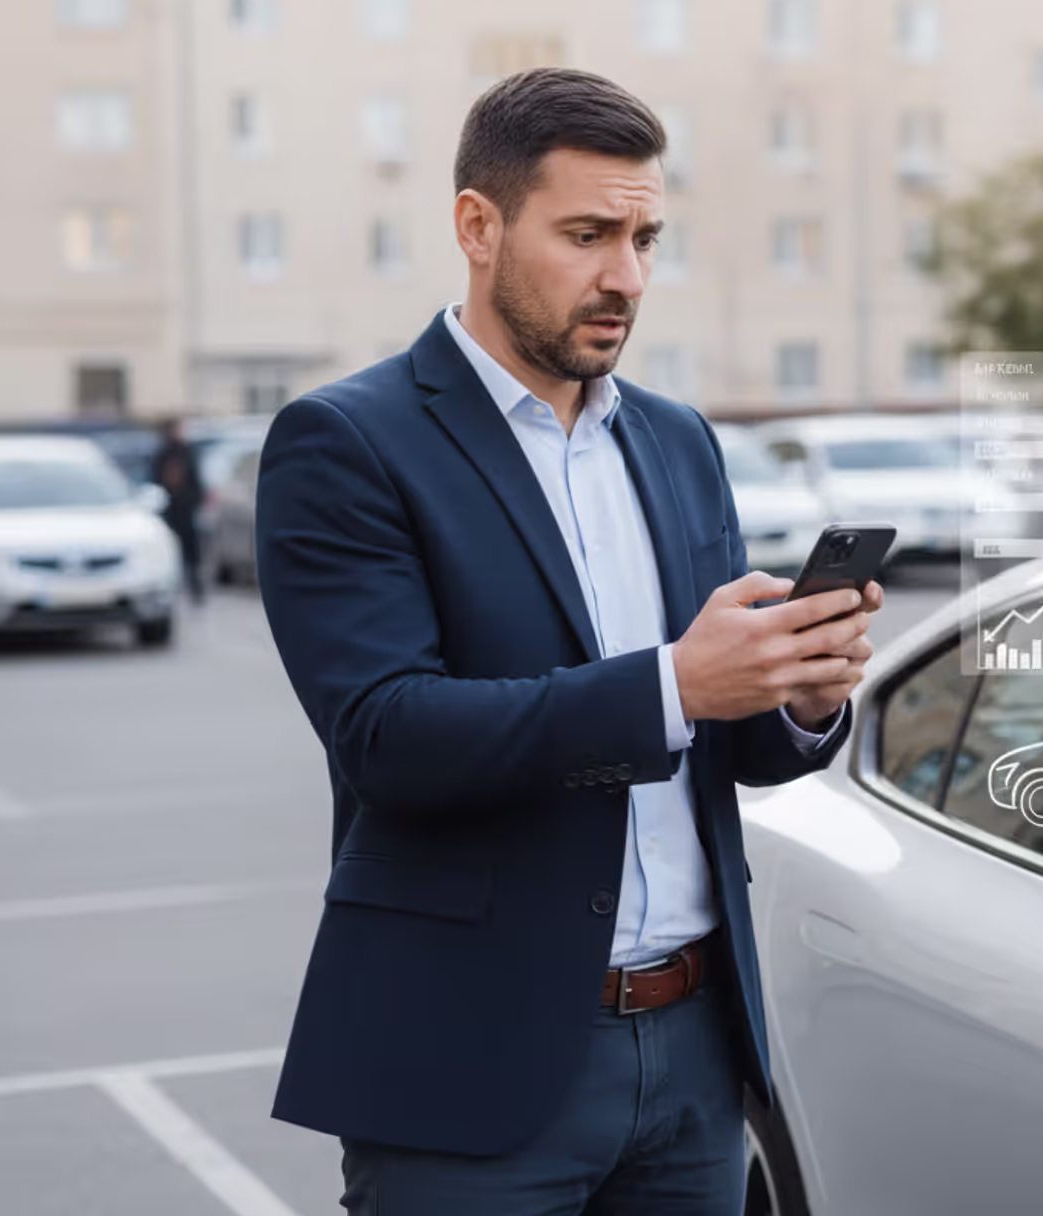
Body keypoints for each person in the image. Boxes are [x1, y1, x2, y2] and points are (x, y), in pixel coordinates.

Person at [255, 68, 883, 1214]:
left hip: (694, 1050)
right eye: (588, 233)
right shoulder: (346, 441)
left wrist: (795, 695)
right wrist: (675, 683)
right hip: (468, 1061)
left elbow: (719, 741)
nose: (626, 277)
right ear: (477, 226)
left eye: (646, 236)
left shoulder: (678, 439)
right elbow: (388, 733)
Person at [149, 416, 205, 604]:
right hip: (169, 510)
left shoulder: (187, 452)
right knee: (171, 552)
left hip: (186, 509)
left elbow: (196, 480)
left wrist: (195, 501)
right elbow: (156, 481)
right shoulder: (162, 455)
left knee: (192, 551)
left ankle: (196, 588)